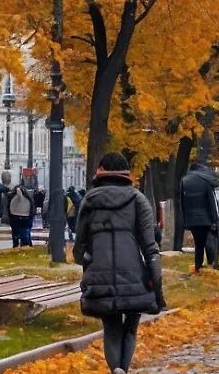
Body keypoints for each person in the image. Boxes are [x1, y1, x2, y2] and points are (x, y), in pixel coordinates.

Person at [74, 152, 164, 374]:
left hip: (100, 275)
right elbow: (149, 247)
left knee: (111, 328)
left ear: (102, 171)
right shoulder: (137, 199)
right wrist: (157, 285)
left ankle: (115, 370)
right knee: (130, 327)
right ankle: (123, 369)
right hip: (134, 276)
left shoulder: (89, 201)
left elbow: (79, 247)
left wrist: (89, 262)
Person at [180, 162, 219, 274]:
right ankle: (211, 263)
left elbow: (182, 202)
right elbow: (211, 202)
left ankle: (198, 266)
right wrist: (215, 219)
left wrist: (184, 219)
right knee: (208, 240)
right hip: (206, 218)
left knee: (198, 243)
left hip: (191, 219)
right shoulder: (205, 181)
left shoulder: (184, 180)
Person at [7, 181, 34, 248]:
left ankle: (17, 245)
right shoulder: (28, 198)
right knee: (25, 233)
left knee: (16, 233)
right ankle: (25, 245)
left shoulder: (12, 197)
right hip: (25, 217)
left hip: (15, 216)